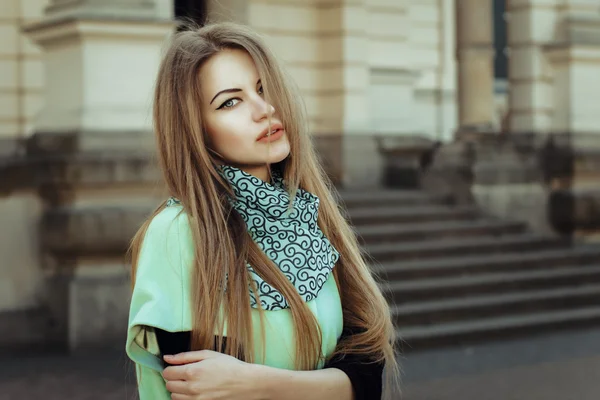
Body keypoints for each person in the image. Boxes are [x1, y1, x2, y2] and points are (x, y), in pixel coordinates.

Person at [125, 21, 399, 400]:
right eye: (230, 102)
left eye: (263, 89)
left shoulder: (306, 215)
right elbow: (198, 387)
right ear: (196, 132)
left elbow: (366, 375)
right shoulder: (178, 232)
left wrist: (257, 383)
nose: (264, 110)